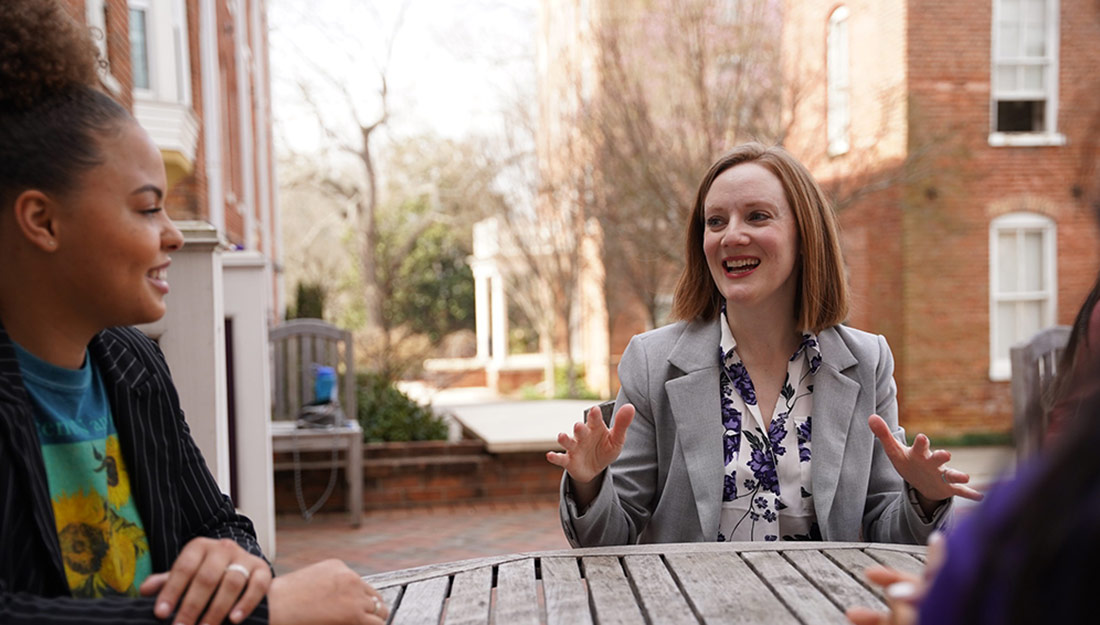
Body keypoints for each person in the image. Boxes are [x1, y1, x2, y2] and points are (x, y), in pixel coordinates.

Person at [0, 2, 387, 623]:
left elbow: (220, 523)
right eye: (148, 208)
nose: (173, 235)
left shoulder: (134, 365)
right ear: (42, 221)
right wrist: (268, 612)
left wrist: (229, 562)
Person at [547, 143, 982, 546]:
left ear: (804, 234)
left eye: (757, 216)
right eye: (715, 221)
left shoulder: (866, 362)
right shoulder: (652, 362)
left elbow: (886, 538)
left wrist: (924, 497)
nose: (730, 235)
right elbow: (607, 542)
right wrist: (588, 484)